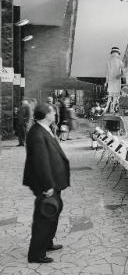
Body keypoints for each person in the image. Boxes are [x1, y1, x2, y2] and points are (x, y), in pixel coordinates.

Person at [23, 103, 70, 263]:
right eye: (53, 112)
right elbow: (40, 163)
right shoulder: (37, 133)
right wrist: (47, 186)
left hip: (54, 181)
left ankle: (47, 242)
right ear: (46, 114)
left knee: (53, 213)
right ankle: (36, 254)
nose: (55, 114)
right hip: (47, 184)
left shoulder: (45, 129)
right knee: (44, 217)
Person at [105, 47, 124, 113]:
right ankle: (111, 109)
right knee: (114, 96)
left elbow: (107, 73)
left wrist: (106, 82)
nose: (115, 55)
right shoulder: (119, 61)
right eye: (114, 53)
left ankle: (110, 108)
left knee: (111, 96)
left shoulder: (110, 61)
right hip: (114, 80)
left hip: (113, 80)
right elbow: (124, 71)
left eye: (115, 53)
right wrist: (120, 75)